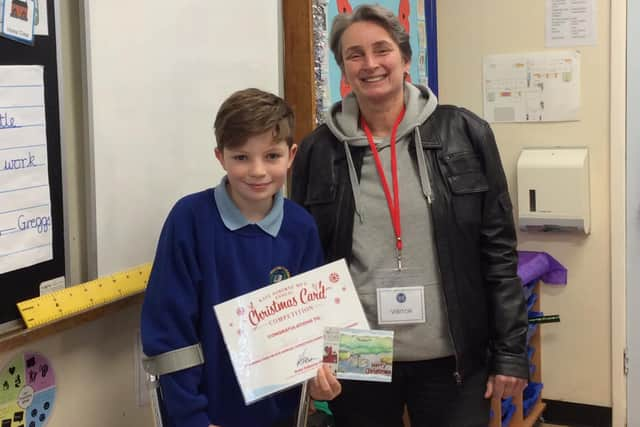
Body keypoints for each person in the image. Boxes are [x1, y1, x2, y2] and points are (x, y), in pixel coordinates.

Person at [290, 5, 528, 427]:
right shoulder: (319, 150)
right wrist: (311, 359)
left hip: (451, 352)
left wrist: (510, 353)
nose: (370, 64)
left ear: (404, 56)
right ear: (343, 67)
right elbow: (306, 264)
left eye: (381, 50)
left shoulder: (465, 133)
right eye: (355, 54)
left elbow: (499, 251)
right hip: (359, 350)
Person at [141, 88, 341, 427]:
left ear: (291, 155)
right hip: (206, 415)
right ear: (220, 156)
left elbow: (315, 327)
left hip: (282, 415)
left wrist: (320, 384)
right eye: (241, 157)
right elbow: (170, 333)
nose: (258, 171)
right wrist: (194, 419)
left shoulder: (300, 227)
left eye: (272, 156)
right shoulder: (189, 219)